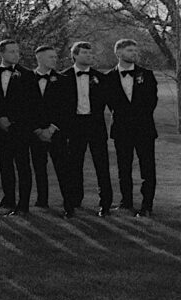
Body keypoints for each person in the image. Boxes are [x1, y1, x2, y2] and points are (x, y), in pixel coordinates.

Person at [58, 41, 113, 218]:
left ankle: (105, 204)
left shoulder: (101, 78)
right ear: (74, 56)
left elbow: (111, 103)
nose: (90, 56)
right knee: (73, 165)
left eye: (91, 54)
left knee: (102, 165)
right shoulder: (63, 77)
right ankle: (74, 201)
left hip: (95, 125)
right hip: (74, 126)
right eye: (85, 54)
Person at [105, 39, 158, 217]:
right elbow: (109, 103)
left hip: (144, 129)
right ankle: (125, 202)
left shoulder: (147, 74)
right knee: (123, 168)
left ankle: (147, 206)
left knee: (147, 168)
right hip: (121, 130)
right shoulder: (108, 77)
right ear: (118, 53)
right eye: (129, 50)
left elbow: (151, 102)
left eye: (135, 50)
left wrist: (135, 119)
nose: (134, 53)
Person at [0, 39, 37, 216]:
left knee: (23, 166)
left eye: (17, 51)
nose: (16, 55)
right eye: (11, 51)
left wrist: (12, 120)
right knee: (4, 165)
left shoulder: (27, 75)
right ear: (1, 53)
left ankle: (23, 204)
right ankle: (8, 199)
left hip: (20, 128)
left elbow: (31, 104)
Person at [31, 45, 68, 211]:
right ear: (39, 58)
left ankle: (68, 202)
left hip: (56, 132)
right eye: (50, 57)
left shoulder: (63, 80)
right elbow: (24, 108)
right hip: (35, 132)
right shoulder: (26, 79)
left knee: (62, 168)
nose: (55, 60)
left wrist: (51, 129)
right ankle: (42, 200)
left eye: (55, 57)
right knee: (39, 167)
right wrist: (38, 130)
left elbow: (65, 108)